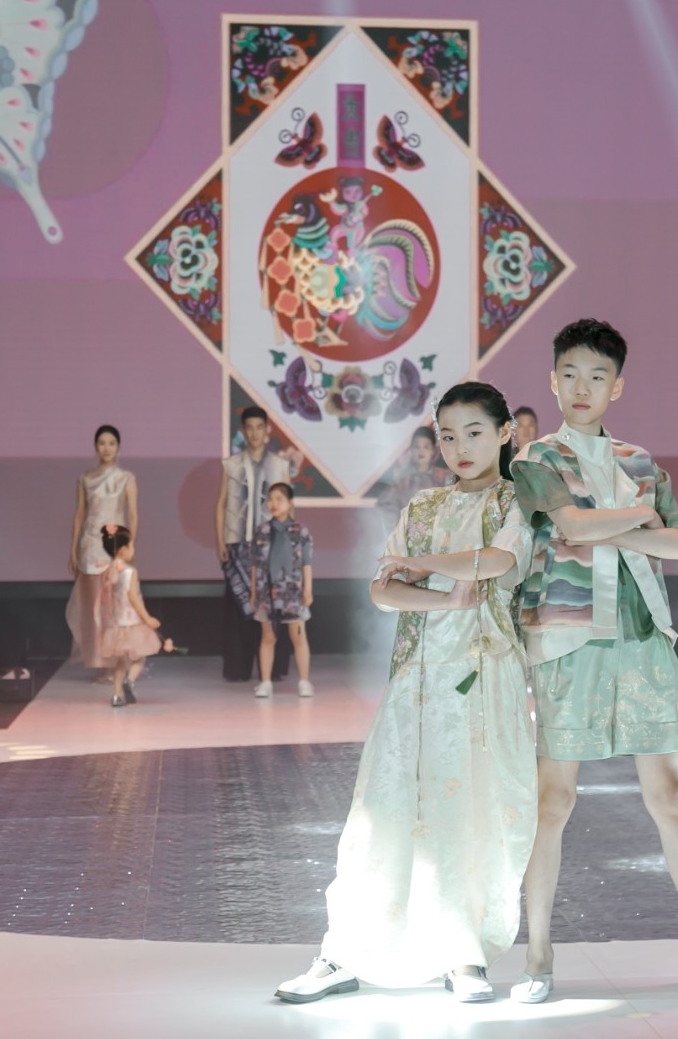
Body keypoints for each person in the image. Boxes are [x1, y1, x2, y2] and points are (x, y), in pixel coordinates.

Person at [508, 318, 678, 1003]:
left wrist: (626, 526)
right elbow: (571, 526)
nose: (582, 387)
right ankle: (538, 958)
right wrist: (640, 522)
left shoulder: (641, 463)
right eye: (570, 374)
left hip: (643, 639)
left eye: (597, 375)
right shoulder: (536, 460)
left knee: (667, 794)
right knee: (553, 800)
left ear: (617, 386)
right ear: (553, 381)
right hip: (568, 643)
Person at [276, 382, 536, 1006]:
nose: (459, 447)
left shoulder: (518, 501)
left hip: (484, 679)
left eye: (474, 432)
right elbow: (382, 589)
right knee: (384, 807)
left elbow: (498, 562)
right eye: (447, 435)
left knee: (472, 808)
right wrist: (445, 596)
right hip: (416, 678)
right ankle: (344, 951)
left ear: (504, 434)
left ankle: (463, 953)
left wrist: (425, 568)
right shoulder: (422, 507)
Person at [216, 407, 299, 688]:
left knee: (272, 606)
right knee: (239, 607)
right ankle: (237, 668)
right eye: (249, 428)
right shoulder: (231, 464)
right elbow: (221, 504)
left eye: (259, 427)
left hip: (272, 545)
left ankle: (273, 668)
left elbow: (289, 508)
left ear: (267, 431)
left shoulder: (279, 465)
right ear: (243, 431)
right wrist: (220, 541)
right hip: (238, 544)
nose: (254, 433)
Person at [67, 425, 137, 673]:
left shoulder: (126, 478)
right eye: (102, 443)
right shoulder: (85, 478)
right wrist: (73, 549)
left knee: (114, 606)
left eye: (111, 443)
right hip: (89, 546)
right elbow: (79, 515)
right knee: (93, 608)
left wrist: (130, 545)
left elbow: (133, 515)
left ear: (118, 447)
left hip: (114, 547)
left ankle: (116, 662)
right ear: (95, 447)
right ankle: (99, 663)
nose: (106, 448)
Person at [249, 483, 314, 698]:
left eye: (279, 499)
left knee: (298, 635)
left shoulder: (300, 531)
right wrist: (253, 592)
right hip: (267, 591)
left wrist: (308, 590)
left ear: (290, 503)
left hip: (293, 592)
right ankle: (265, 682)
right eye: (270, 499)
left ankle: (304, 681)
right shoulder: (262, 531)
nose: (273, 504)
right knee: (268, 636)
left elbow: (306, 563)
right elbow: (255, 564)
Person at [96, 524, 170, 708]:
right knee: (139, 657)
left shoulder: (109, 570)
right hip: (132, 620)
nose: (133, 550)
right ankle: (130, 681)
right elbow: (133, 598)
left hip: (116, 622)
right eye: (131, 546)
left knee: (121, 661)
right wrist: (148, 619)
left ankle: (116, 695)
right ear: (122, 549)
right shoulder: (129, 571)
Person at [377, 426, 450, 515]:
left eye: (426, 447)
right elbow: (385, 504)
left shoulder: (441, 478)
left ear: (433, 451)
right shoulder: (401, 478)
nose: (421, 451)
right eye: (416, 447)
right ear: (411, 449)